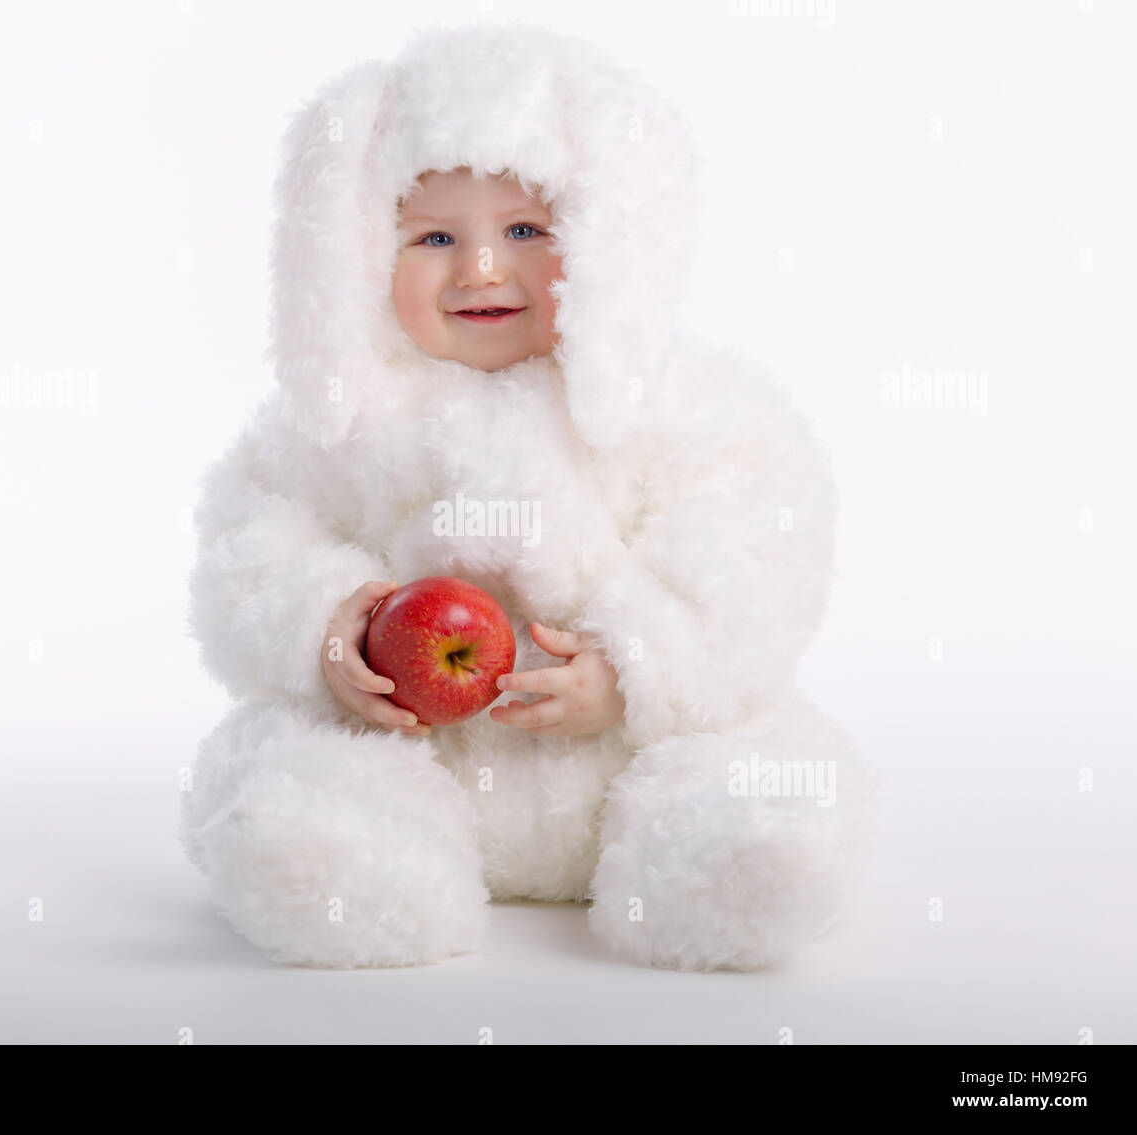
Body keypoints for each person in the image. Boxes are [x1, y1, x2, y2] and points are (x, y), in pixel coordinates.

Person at [180, 20, 878, 971]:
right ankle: (349, 857)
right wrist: (327, 623)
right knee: (285, 757)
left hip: (629, 752)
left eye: (524, 230)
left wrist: (639, 660)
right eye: (433, 236)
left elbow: (756, 534)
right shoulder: (339, 420)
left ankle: (722, 857)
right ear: (350, 252)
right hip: (421, 755)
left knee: (750, 751)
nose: (479, 269)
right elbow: (249, 536)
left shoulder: (674, 404)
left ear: (606, 237)